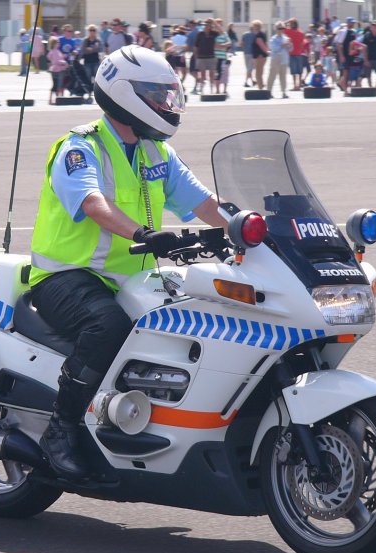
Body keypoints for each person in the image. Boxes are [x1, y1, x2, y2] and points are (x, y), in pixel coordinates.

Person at [29, 46, 227, 480]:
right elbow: (94, 204)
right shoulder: (80, 147)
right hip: (67, 276)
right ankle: (60, 429)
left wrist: (250, 229)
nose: (166, 103)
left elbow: (204, 203)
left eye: (167, 94)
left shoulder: (158, 153)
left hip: (132, 281)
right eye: (156, 94)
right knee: (108, 327)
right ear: (125, 95)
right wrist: (143, 233)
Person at [266, 21, 291, 98]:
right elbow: (273, 48)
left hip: (284, 59)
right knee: (272, 75)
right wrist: (282, 45)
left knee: (283, 76)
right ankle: (269, 91)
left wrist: (289, 45)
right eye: (279, 28)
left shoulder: (286, 38)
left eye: (283, 28)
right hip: (275, 59)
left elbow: (290, 49)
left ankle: (284, 92)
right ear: (276, 29)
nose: (281, 30)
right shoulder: (273, 39)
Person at [193, 19, 217, 94]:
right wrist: (196, 56)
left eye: (209, 24)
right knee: (202, 74)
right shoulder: (200, 34)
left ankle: (211, 88)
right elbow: (196, 45)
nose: (207, 26)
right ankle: (202, 89)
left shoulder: (214, 33)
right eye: (206, 24)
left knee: (211, 74)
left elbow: (223, 33)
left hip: (211, 56)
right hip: (201, 56)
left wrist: (215, 23)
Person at [361, 20, 376, 91]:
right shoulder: (367, 35)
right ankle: (371, 88)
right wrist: (365, 60)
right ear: (371, 27)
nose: (375, 27)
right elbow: (364, 48)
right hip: (369, 57)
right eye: (373, 26)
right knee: (368, 75)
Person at [335, 17, 358, 91]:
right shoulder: (343, 31)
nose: (353, 24)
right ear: (348, 23)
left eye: (353, 23)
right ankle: (345, 89)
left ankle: (342, 84)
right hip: (345, 55)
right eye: (351, 22)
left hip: (352, 55)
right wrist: (341, 56)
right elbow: (339, 44)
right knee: (345, 72)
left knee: (350, 73)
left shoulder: (354, 32)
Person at [285, 17, 305, 90]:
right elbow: (302, 44)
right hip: (299, 53)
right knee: (299, 71)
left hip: (291, 53)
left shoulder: (288, 31)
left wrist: (287, 21)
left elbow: (282, 26)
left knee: (293, 71)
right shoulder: (301, 32)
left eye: (290, 23)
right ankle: (299, 85)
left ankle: (294, 86)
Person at [47, 37, 67, 104]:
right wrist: (63, 62)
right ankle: (56, 99)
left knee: (56, 85)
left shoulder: (56, 51)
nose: (59, 43)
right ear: (54, 44)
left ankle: (55, 99)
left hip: (55, 69)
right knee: (58, 85)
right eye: (57, 42)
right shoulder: (55, 51)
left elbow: (49, 58)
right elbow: (57, 60)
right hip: (57, 69)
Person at [250, 20, 269, 90]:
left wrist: (266, 52)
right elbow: (265, 44)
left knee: (258, 73)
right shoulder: (262, 34)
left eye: (253, 26)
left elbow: (262, 45)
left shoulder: (258, 35)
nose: (252, 27)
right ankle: (261, 86)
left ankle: (260, 88)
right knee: (259, 72)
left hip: (259, 56)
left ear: (256, 26)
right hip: (261, 56)